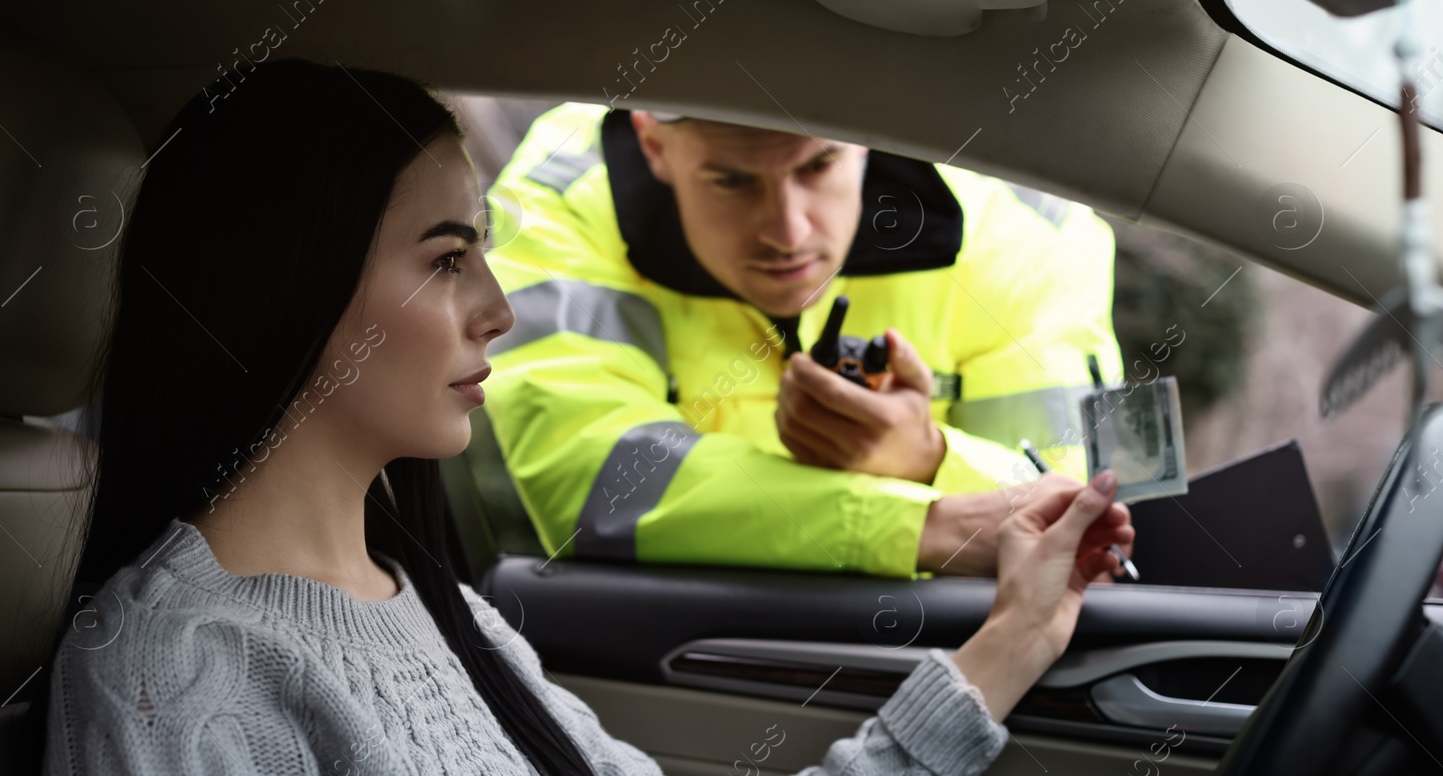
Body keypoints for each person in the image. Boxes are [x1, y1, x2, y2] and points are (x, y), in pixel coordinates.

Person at [28, 61, 1135, 776]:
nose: (499, 309)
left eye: (483, 254)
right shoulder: (171, 669)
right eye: (448, 257)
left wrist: (1014, 639)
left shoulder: (435, 611)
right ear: (293, 280)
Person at [481, 105, 1124, 578]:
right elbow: (597, 485)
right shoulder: (555, 204)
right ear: (652, 143)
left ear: (871, 137)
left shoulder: (1028, 230)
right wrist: (921, 523)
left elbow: (1078, 522)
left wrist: (925, 456)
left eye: (818, 164)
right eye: (732, 181)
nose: (786, 232)